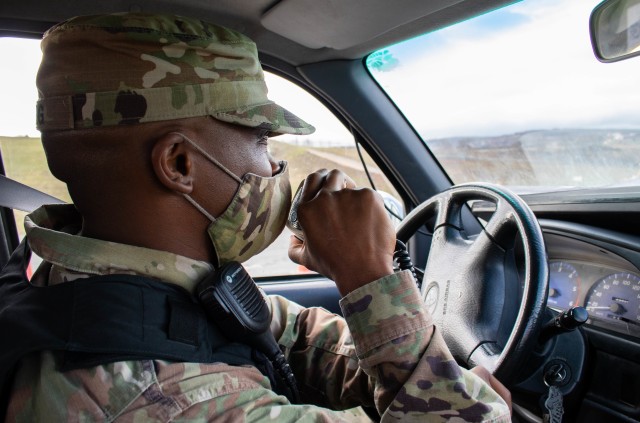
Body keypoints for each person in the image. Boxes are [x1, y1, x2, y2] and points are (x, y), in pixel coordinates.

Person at [4, 13, 511, 422]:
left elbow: (292, 338)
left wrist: (376, 303)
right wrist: (370, 278)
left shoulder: (121, 286)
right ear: (179, 163)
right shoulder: (166, 400)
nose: (273, 168)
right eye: (261, 140)